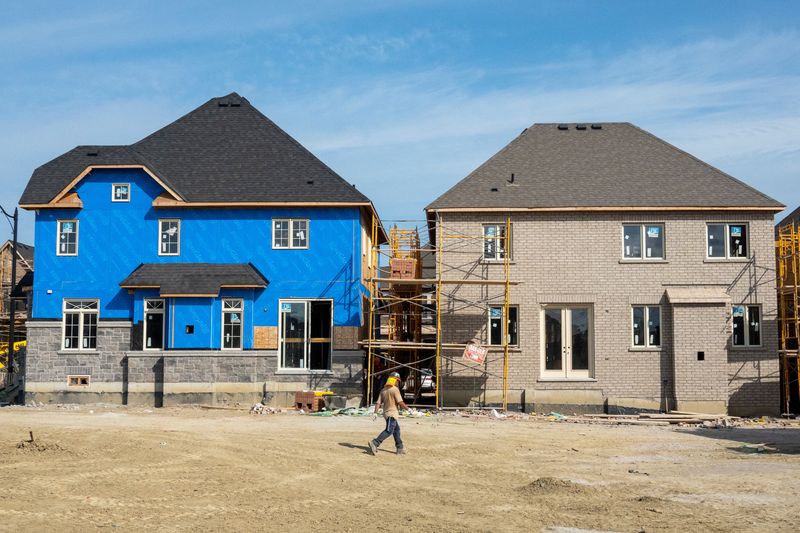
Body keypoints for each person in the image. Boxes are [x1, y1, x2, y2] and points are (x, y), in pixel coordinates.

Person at [369, 371, 408, 455]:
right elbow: (400, 402)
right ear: (395, 380)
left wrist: (375, 413)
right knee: (389, 430)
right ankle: (375, 442)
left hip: (386, 414)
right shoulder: (395, 389)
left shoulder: (383, 390)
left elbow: (378, 403)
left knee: (396, 430)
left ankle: (400, 447)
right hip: (392, 414)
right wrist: (409, 409)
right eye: (397, 380)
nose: (398, 382)